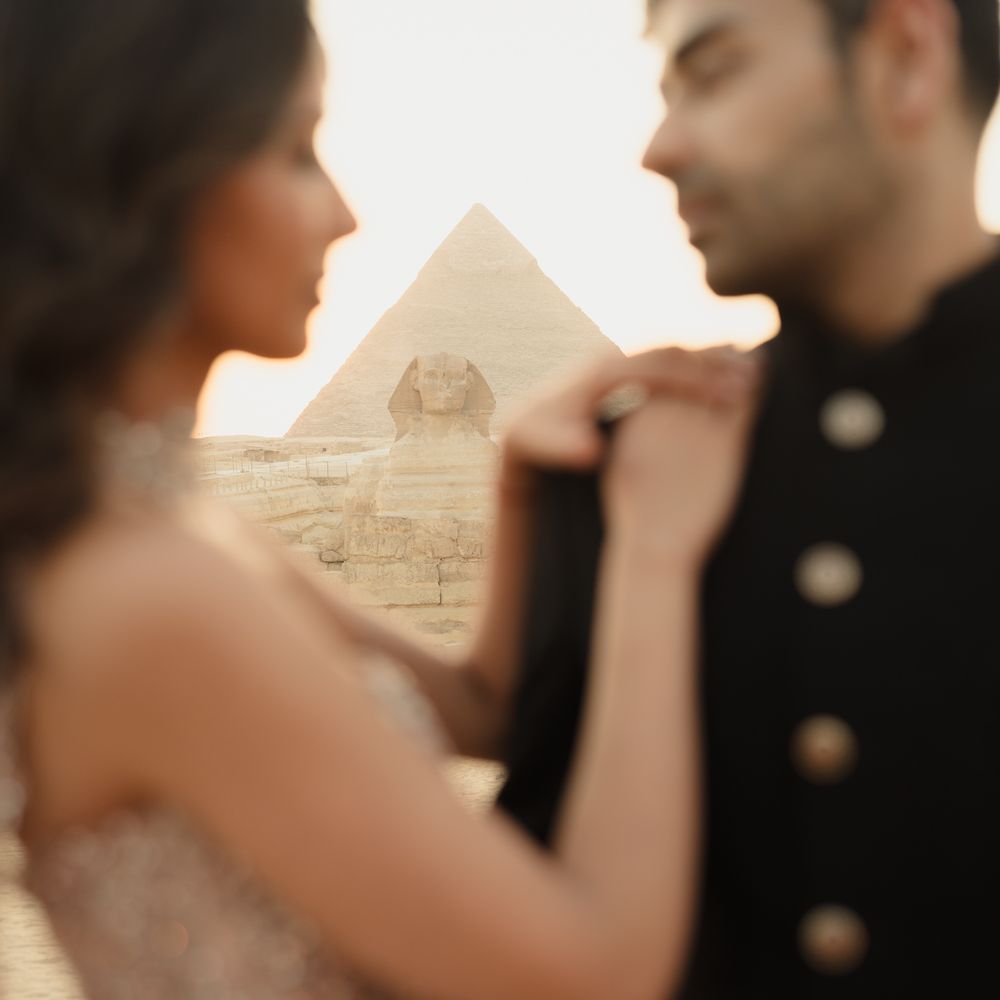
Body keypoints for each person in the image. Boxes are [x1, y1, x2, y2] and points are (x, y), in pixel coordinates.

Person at [0, 1, 763, 998]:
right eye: (296, 152)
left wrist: (514, 484)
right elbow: (599, 971)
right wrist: (654, 551)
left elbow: (480, 712)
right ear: (154, 177)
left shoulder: (187, 529)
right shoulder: (147, 592)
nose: (345, 214)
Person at [499, 0, 1000, 996]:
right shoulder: (627, 463)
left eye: (715, 73)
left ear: (904, 57)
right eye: (664, 93)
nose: (658, 146)